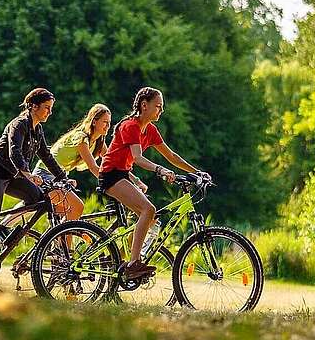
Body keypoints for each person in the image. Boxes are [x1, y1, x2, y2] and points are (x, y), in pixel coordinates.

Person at [0, 88, 69, 290]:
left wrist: (63, 178)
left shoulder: (38, 130)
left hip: (12, 176)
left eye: (51, 109)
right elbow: (14, 151)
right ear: (33, 106)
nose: (50, 112)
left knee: (38, 198)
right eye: (47, 108)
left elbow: (47, 156)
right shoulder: (19, 124)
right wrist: (27, 173)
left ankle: (3, 226)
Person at [99, 87, 202, 281]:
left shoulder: (151, 130)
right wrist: (160, 170)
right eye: (158, 106)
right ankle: (133, 264)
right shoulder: (130, 126)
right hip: (112, 175)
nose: (161, 111)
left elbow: (171, 156)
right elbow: (137, 158)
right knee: (149, 209)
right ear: (144, 105)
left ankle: (120, 259)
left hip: (123, 175)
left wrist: (196, 173)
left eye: (162, 107)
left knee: (150, 219)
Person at [34, 103, 113, 221]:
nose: (108, 126)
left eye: (109, 123)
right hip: (45, 173)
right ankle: (3, 227)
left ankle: (57, 239)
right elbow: (93, 167)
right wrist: (112, 186)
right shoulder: (82, 138)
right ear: (94, 122)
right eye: (105, 122)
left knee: (67, 218)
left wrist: (134, 182)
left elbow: (112, 163)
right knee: (76, 207)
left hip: (58, 177)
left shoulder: (98, 142)